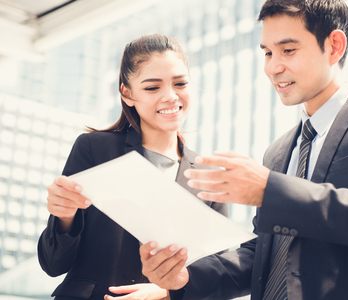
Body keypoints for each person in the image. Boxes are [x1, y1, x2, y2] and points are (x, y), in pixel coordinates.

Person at [139, 1, 348, 299]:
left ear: (334, 46)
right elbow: (263, 253)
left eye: (288, 50)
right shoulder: (278, 151)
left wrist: (271, 191)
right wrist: (187, 277)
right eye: (268, 52)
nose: (272, 67)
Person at [37, 34, 228, 300]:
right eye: (152, 88)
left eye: (180, 83)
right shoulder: (95, 149)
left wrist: (165, 292)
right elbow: (53, 264)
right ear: (127, 94)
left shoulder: (210, 178)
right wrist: (65, 217)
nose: (171, 96)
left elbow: (219, 276)